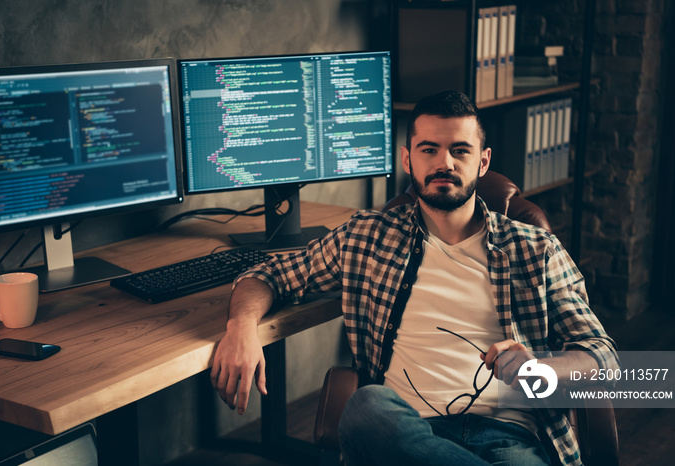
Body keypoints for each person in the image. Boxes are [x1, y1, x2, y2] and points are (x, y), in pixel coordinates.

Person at [210, 90, 618, 465]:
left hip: (509, 437)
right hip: (403, 429)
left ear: (483, 160)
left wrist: (543, 370)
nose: (445, 163)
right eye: (430, 150)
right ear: (408, 160)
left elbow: (602, 358)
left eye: (460, 150)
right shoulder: (368, 236)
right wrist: (241, 326)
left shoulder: (535, 249)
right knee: (367, 407)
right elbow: (269, 274)